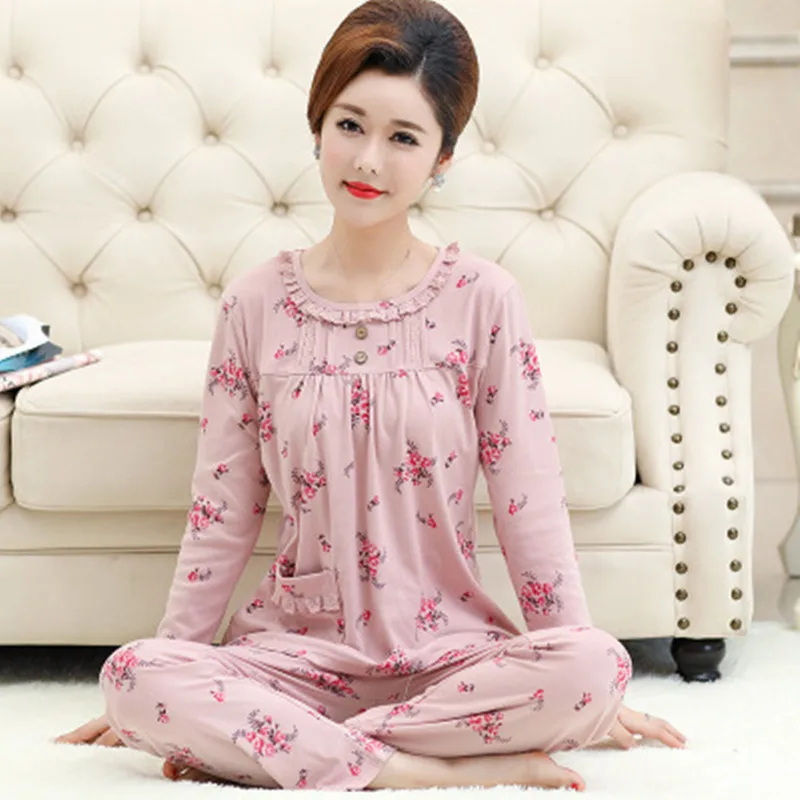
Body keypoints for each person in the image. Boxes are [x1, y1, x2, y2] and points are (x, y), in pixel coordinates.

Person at [56, 0, 686, 791]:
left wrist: (587, 684)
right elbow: (223, 511)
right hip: (295, 659)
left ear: (443, 157)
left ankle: (300, 752)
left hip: (452, 659)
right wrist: (170, 668)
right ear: (317, 125)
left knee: (596, 664)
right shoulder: (254, 305)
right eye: (350, 125)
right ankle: (427, 770)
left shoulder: (483, 299)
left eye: (403, 138)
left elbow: (530, 502)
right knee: (133, 675)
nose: (368, 161)